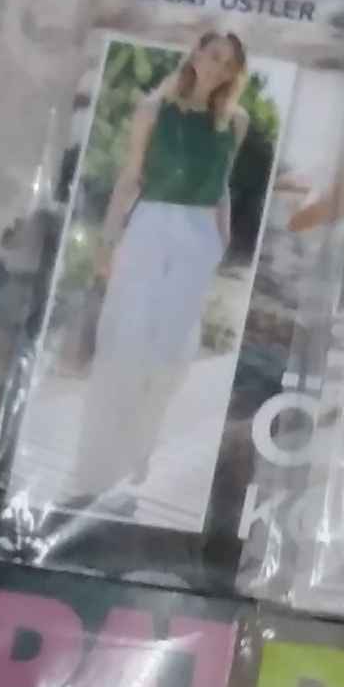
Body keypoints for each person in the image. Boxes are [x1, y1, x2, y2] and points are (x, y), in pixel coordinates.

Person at [69, 28, 249, 505]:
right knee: (125, 342)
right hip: (150, 225)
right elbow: (130, 177)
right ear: (195, 54)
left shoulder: (236, 121)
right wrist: (108, 241)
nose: (218, 67)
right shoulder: (153, 109)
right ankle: (96, 464)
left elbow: (223, 183)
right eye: (213, 55)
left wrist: (222, 236)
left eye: (229, 63)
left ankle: (138, 449)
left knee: (171, 352)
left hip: (199, 237)